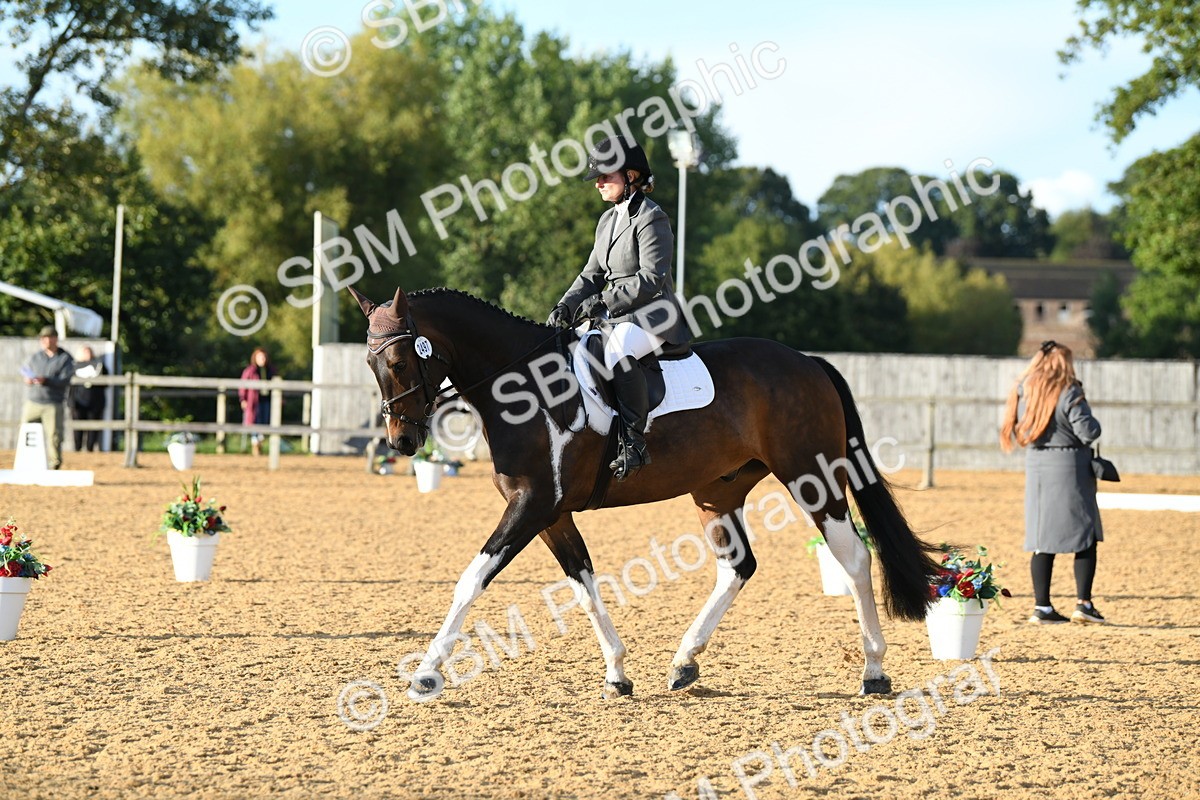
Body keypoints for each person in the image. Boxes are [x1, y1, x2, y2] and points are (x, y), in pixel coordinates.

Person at [546, 135, 692, 481]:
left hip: (655, 313)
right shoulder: (607, 221)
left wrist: (603, 301)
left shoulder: (652, 217)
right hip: (618, 314)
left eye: (605, 176)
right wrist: (566, 305)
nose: (598, 183)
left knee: (619, 350)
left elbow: (651, 278)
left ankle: (634, 444)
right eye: (597, 178)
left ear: (630, 176)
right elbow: (591, 275)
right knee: (574, 347)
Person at [1000, 340, 1107, 625]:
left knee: (1041, 537)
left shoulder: (1023, 388)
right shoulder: (1069, 389)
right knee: (1085, 535)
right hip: (1070, 467)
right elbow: (1088, 432)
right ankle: (1084, 604)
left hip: (1037, 466)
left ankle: (1042, 607)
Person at [19, 325, 75, 469]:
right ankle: (27, 461)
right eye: (44, 338)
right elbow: (26, 371)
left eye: (50, 337)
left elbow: (65, 380)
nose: (46, 341)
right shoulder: (36, 357)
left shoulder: (65, 358)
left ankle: (54, 463)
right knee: (25, 432)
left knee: (54, 436)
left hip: (53, 402)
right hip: (34, 401)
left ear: (56, 339)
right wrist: (28, 380)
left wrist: (47, 380)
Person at [239, 347, 276, 456]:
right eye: (260, 357)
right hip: (254, 401)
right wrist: (243, 399)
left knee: (265, 421)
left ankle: (259, 442)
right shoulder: (250, 371)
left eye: (264, 357)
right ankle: (255, 443)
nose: (262, 359)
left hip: (267, 400)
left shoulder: (271, 370)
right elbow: (243, 386)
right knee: (254, 421)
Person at [70, 346, 108, 452]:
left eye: (89, 352)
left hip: (95, 402)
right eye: (85, 352)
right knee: (78, 426)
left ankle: (90, 448)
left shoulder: (99, 365)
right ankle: (77, 448)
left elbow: (106, 382)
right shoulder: (74, 366)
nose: (88, 354)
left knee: (93, 427)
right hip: (78, 401)